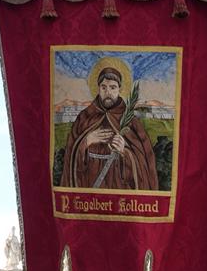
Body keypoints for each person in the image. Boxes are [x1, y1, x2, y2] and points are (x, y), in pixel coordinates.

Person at [58, 62, 160, 192]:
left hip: (120, 189)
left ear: (119, 89)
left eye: (113, 87)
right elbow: (70, 158)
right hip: (89, 185)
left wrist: (125, 151)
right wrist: (86, 141)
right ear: (98, 88)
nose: (108, 92)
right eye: (104, 87)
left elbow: (144, 162)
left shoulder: (131, 121)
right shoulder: (84, 117)